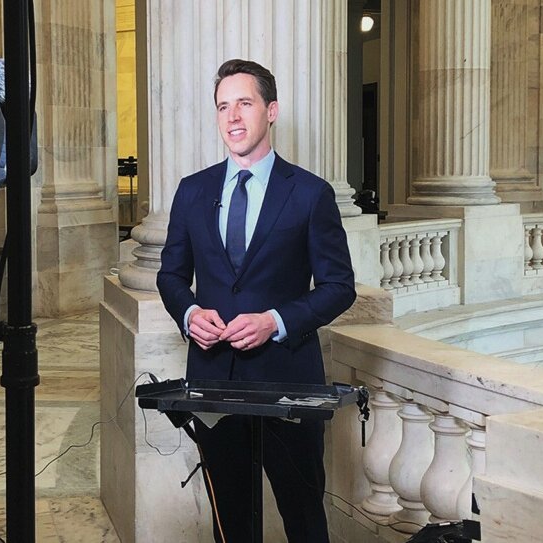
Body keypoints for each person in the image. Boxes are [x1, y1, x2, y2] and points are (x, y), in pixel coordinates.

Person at [157, 59, 356, 542]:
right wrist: (189, 312)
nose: (232, 117)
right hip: (213, 383)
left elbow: (339, 286)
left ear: (272, 111)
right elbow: (170, 275)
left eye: (244, 103)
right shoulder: (192, 191)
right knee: (233, 522)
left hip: (287, 381)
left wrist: (276, 321)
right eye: (223, 106)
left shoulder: (311, 194)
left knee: (304, 517)